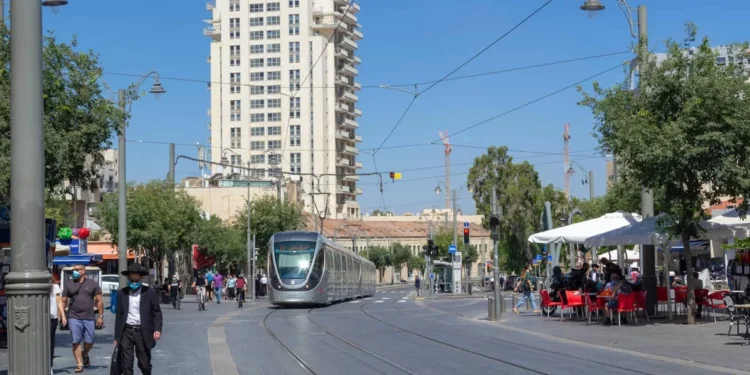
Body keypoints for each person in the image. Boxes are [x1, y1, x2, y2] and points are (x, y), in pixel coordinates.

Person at [114, 263, 163, 375]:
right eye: (132, 280)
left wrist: (157, 329)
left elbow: (156, 312)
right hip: (127, 331)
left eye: (136, 280)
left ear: (140, 278)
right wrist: (117, 337)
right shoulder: (122, 293)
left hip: (143, 332)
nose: (134, 282)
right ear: (128, 278)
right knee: (127, 364)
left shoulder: (149, 292)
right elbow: (119, 315)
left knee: (144, 363)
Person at [61, 264, 104, 373]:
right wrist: (61, 315)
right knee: (76, 341)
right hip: (73, 317)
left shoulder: (93, 284)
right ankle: (80, 364)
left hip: (89, 317)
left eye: (77, 269)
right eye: (73, 270)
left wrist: (101, 316)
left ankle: (85, 354)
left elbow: (99, 301)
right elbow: (63, 301)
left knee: (89, 340)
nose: (74, 271)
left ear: (83, 271)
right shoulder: (69, 284)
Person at [50, 269, 66, 375]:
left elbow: (59, 301)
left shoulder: (54, 286)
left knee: (50, 342)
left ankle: (49, 366)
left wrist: (63, 315)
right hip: (41, 317)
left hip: (52, 317)